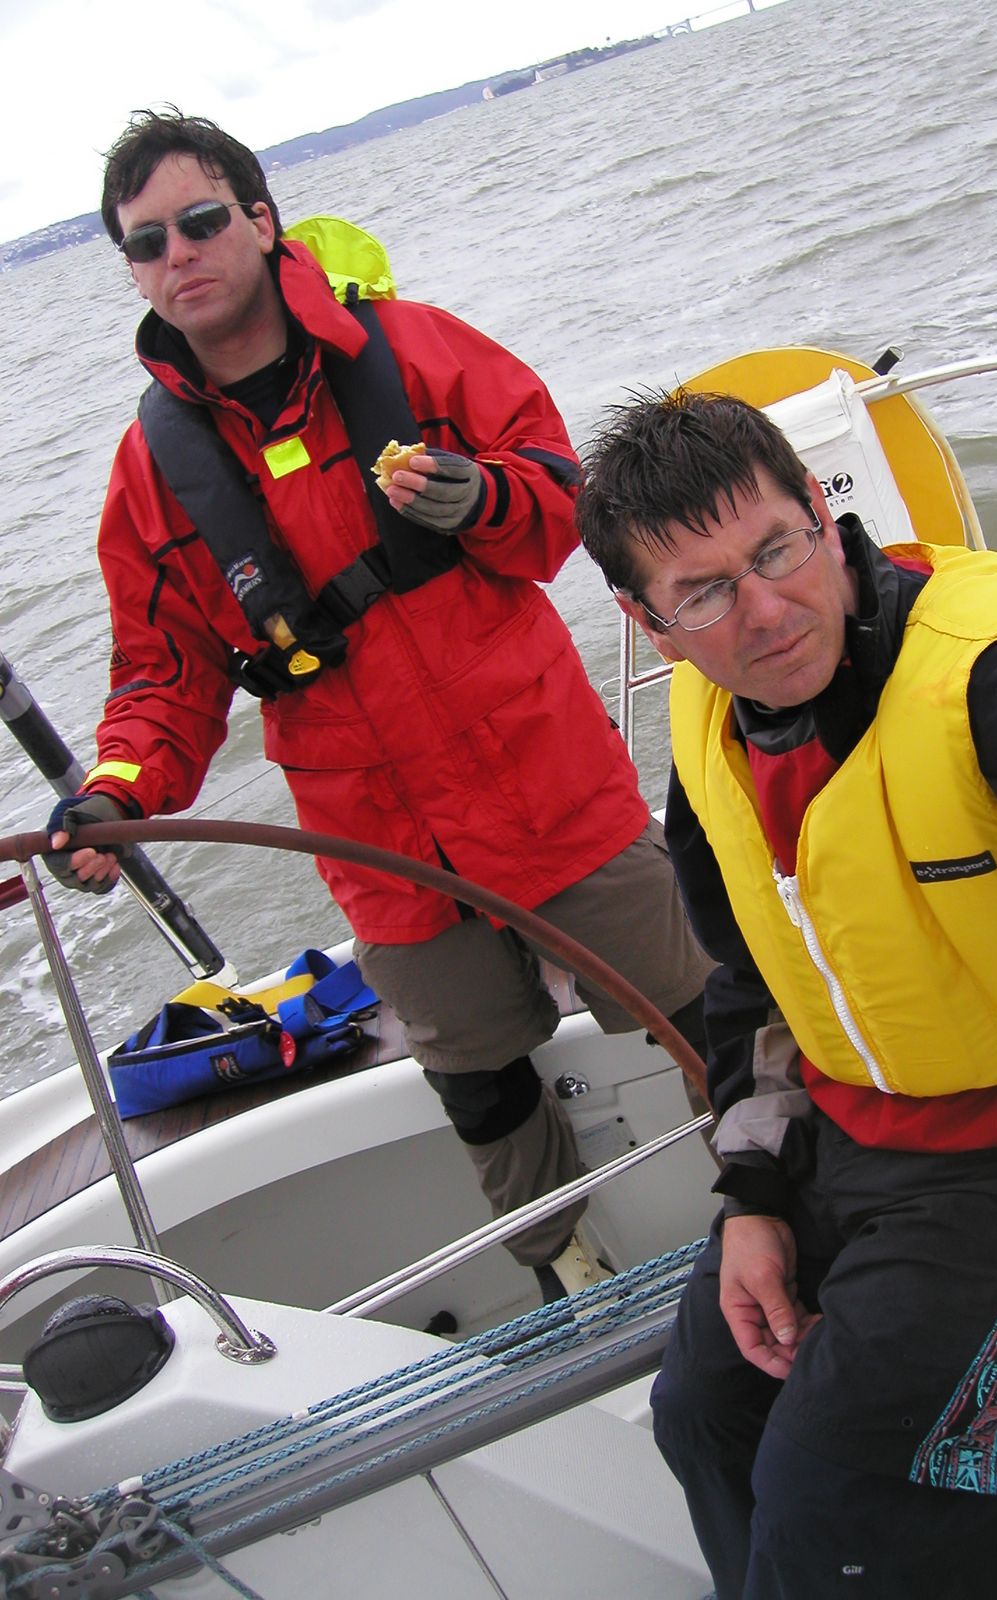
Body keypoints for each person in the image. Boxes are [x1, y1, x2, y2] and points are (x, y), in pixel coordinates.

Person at [46, 109, 713, 1303]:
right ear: (133, 272)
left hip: (549, 788)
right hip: (382, 849)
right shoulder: (149, 477)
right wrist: (115, 792)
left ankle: (797, 1187)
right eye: (146, 242)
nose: (178, 253)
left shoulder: (417, 352)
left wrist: (484, 497)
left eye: (201, 220)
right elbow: (162, 679)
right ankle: (568, 1276)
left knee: (701, 1009)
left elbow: (566, 500)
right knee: (478, 1084)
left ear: (261, 220)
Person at [575, 385, 997, 1599]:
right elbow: (751, 981)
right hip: (854, 1135)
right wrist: (753, 1195)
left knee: (828, 1495)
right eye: (705, 592)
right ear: (648, 623)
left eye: (777, 549)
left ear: (821, 508)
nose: (765, 611)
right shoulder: (709, 731)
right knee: (703, 1409)